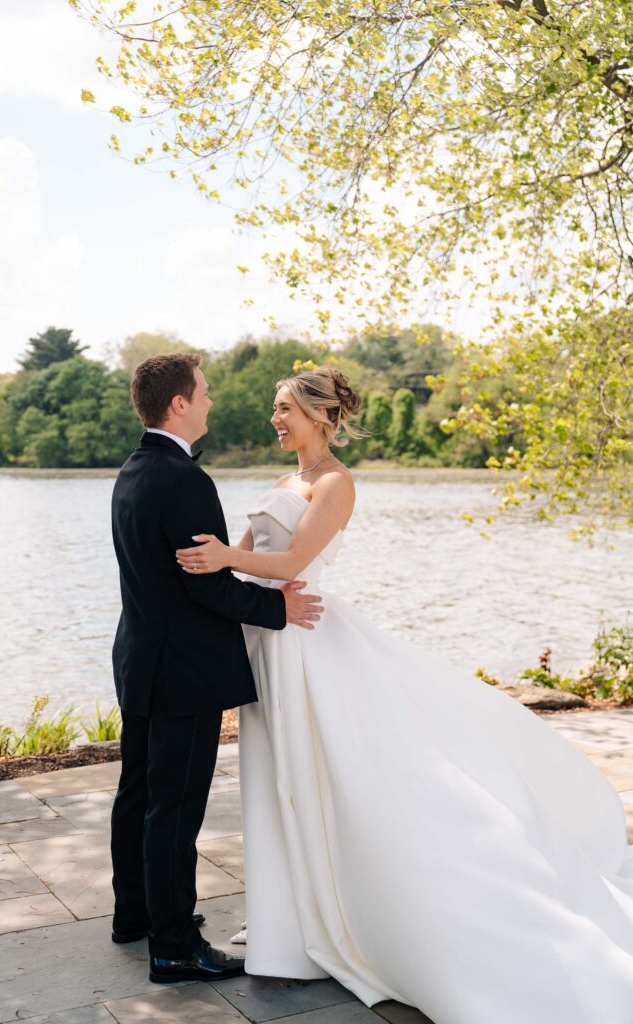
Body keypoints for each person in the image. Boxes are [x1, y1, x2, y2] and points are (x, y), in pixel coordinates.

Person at [176, 365, 633, 1023]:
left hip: (307, 644)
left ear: (317, 414)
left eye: (283, 409)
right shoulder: (283, 481)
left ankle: (356, 911)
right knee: (276, 777)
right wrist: (219, 565)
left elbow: (290, 564)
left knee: (330, 775)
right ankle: (288, 915)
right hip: (268, 644)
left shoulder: (335, 484)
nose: (274, 419)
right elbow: (247, 553)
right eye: (274, 409)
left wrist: (223, 557)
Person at [110, 353, 323, 985]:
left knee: (139, 797)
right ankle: (174, 948)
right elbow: (204, 583)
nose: (210, 402)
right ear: (178, 402)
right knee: (173, 810)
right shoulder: (183, 480)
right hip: (185, 671)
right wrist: (276, 608)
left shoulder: (132, 471)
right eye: (202, 392)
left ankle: (137, 916)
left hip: (141, 660)